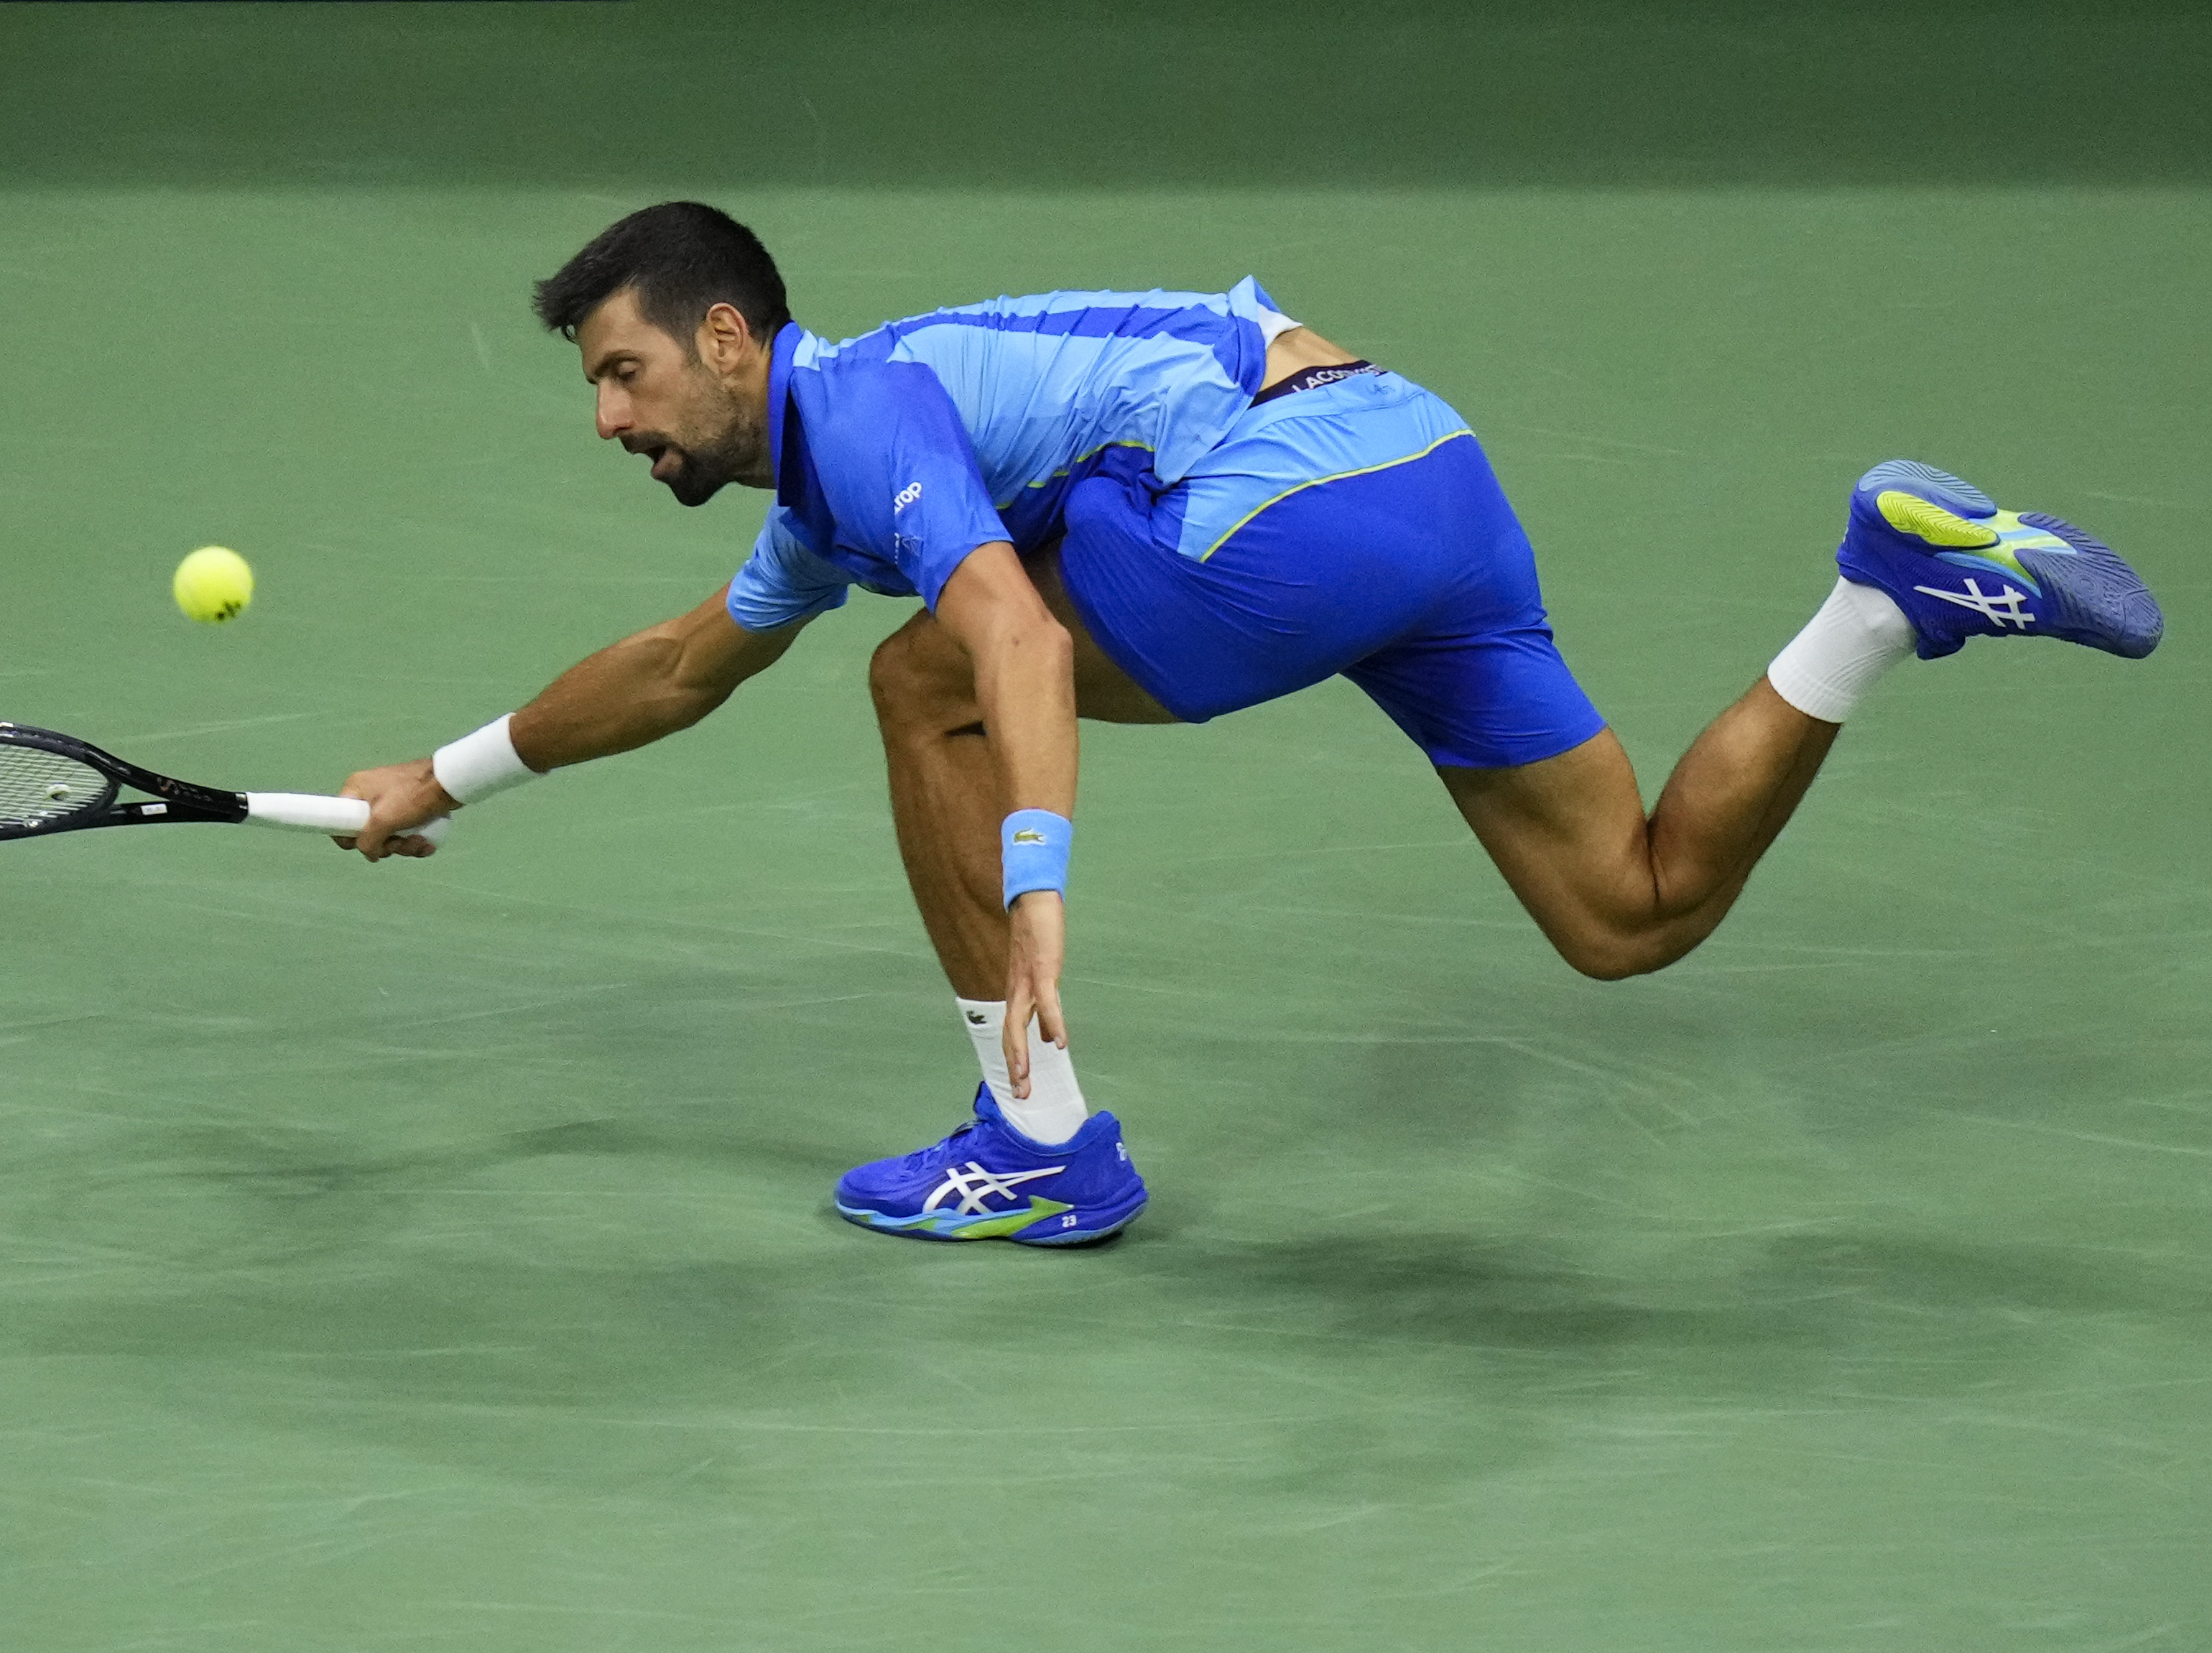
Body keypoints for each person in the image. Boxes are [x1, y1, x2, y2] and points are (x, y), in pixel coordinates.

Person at [338, 201, 2163, 1247]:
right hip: (1425, 480)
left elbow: (1006, 649)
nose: (608, 419)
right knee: (1632, 912)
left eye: (623, 374)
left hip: (1274, 506)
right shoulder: (835, 489)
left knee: (926, 673)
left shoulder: (875, 408)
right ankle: (1879, 599)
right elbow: (677, 668)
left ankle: (1034, 1135)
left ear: (731, 338)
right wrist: (443, 776)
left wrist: (1036, 879)